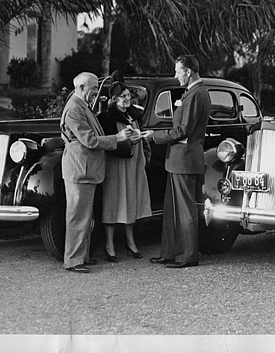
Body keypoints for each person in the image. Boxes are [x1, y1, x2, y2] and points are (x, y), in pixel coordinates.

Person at [60, 72, 133, 273]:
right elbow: (90, 140)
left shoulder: (81, 106)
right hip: (79, 169)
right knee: (77, 216)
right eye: (93, 89)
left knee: (83, 215)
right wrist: (116, 138)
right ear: (81, 88)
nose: (96, 94)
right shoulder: (75, 108)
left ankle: (81, 256)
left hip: (85, 169)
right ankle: (74, 260)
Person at [145, 55, 211, 269]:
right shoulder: (192, 93)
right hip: (177, 160)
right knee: (172, 208)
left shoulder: (196, 95)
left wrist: (154, 136)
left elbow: (184, 130)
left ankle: (187, 256)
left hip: (185, 159)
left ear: (189, 71)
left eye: (178, 71)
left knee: (184, 209)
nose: (176, 76)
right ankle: (170, 252)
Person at [97, 81, 152, 262]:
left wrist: (141, 144)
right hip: (116, 162)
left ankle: (131, 241)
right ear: (114, 99)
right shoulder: (107, 118)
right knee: (113, 200)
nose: (127, 99)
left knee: (131, 198)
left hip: (134, 161)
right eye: (123, 96)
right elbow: (106, 142)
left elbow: (142, 137)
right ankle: (109, 244)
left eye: (129, 96)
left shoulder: (134, 115)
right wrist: (126, 141)